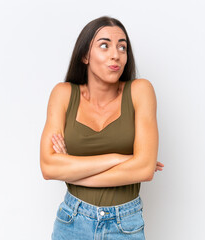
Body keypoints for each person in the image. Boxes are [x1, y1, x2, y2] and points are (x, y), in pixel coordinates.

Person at [40, 16, 164, 240]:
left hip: (125, 224)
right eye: (104, 45)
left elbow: (144, 170)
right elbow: (49, 167)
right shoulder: (64, 94)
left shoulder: (140, 91)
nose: (115, 54)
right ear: (85, 55)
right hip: (71, 221)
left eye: (122, 47)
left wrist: (71, 172)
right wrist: (120, 158)